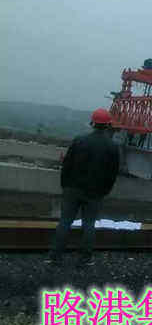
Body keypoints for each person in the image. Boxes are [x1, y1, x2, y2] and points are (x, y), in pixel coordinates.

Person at [46, 108, 120, 266]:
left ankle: (54, 256)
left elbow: (67, 165)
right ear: (108, 125)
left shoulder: (79, 140)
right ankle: (85, 259)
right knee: (88, 225)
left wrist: (65, 185)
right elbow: (112, 174)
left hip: (72, 188)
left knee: (65, 222)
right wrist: (105, 191)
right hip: (95, 192)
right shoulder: (113, 147)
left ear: (93, 122)